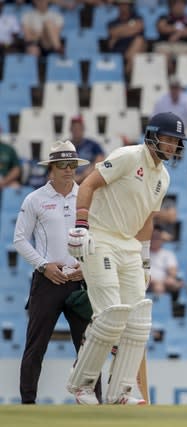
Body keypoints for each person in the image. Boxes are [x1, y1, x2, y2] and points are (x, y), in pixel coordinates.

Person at [65, 111, 187, 405]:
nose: (171, 146)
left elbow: (147, 219)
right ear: (153, 135)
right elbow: (89, 185)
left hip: (129, 246)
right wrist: (81, 225)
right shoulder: (128, 156)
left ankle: (121, 390)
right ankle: (82, 385)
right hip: (101, 237)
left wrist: (144, 259)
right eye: (168, 139)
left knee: (138, 321)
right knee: (110, 317)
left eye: (176, 141)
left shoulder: (164, 176)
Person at [13, 140, 101, 404]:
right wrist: (43, 265)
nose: (67, 169)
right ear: (51, 168)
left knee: (88, 348)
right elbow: (19, 239)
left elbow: (98, 237)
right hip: (48, 279)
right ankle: (27, 405)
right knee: (35, 346)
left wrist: (86, 268)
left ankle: (94, 403)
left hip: (78, 280)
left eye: (72, 164)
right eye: (62, 164)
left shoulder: (85, 197)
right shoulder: (35, 199)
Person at [107, 0, 146, 75]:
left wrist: (119, 32)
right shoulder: (112, 22)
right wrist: (130, 29)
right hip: (118, 50)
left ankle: (124, 75)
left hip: (133, 52)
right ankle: (124, 75)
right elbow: (113, 32)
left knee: (139, 41)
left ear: (130, 6)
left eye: (126, 5)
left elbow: (138, 27)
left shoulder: (138, 18)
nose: (123, 7)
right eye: (121, 5)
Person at [148, 224, 182, 302]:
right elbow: (143, 272)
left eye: (157, 237)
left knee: (173, 282)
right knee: (158, 287)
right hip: (148, 282)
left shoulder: (168, 254)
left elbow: (173, 271)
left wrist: (169, 278)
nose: (155, 240)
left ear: (162, 239)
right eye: (153, 237)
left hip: (164, 282)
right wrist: (154, 282)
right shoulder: (143, 255)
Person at [68, 115, 105, 184]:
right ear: (70, 129)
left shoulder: (93, 145)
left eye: (79, 128)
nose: (77, 131)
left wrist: (82, 176)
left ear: (83, 129)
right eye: (74, 128)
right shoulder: (65, 145)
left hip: (88, 180)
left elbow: (100, 160)